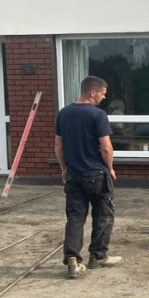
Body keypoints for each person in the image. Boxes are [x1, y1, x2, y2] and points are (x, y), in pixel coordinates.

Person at [55, 76, 123, 278]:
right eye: (102, 93)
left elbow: (58, 146)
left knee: (75, 218)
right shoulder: (98, 115)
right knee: (103, 215)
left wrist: (63, 168)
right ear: (92, 92)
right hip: (96, 174)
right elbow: (106, 147)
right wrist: (110, 167)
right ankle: (98, 256)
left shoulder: (63, 114)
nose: (103, 98)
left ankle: (73, 260)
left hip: (74, 175)